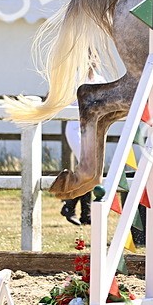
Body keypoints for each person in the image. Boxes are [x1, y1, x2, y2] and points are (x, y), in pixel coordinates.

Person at [60, 64, 107, 226]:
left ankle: (83, 212)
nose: (92, 63)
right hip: (76, 128)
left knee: (90, 171)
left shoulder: (101, 80)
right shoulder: (75, 80)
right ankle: (71, 206)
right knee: (88, 169)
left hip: (92, 130)